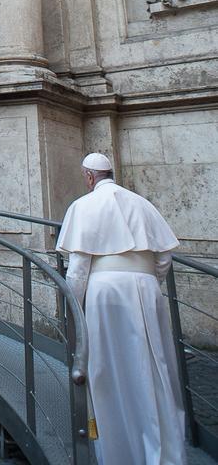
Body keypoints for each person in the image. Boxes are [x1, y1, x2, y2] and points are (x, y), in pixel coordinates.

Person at [57, 153, 186, 465]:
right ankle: (166, 453)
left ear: (89, 176)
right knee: (155, 368)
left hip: (106, 292)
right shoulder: (142, 204)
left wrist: (71, 309)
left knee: (107, 372)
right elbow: (163, 260)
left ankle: (120, 453)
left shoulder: (84, 206)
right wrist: (145, 283)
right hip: (147, 289)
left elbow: (77, 270)